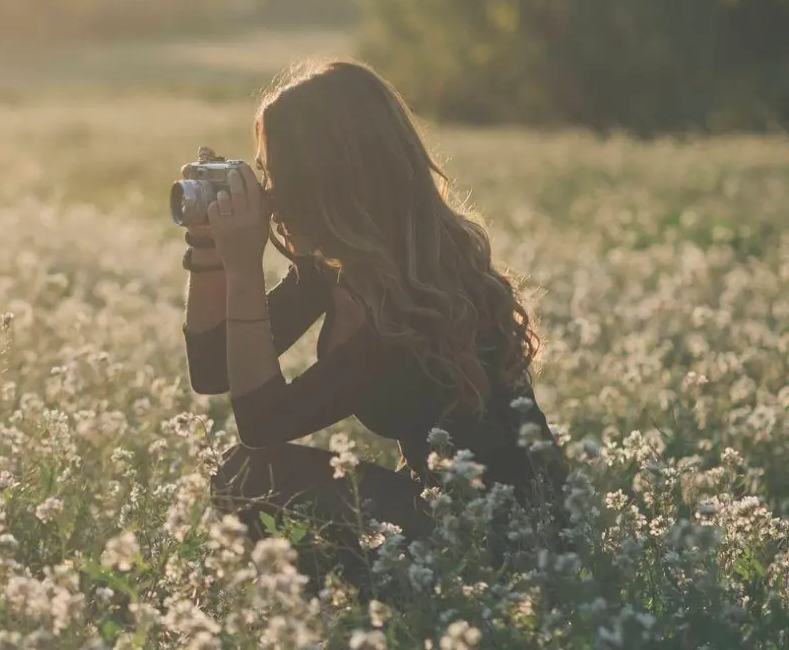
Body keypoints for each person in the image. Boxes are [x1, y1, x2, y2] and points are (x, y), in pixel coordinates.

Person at [180, 59, 560, 589]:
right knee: (248, 475)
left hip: (506, 539)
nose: (268, 197)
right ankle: (341, 621)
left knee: (249, 474)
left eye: (278, 176)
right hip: (448, 512)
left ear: (328, 180)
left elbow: (262, 424)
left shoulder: (400, 306)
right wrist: (205, 247)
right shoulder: (344, 267)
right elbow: (212, 371)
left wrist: (244, 268)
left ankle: (356, 626)